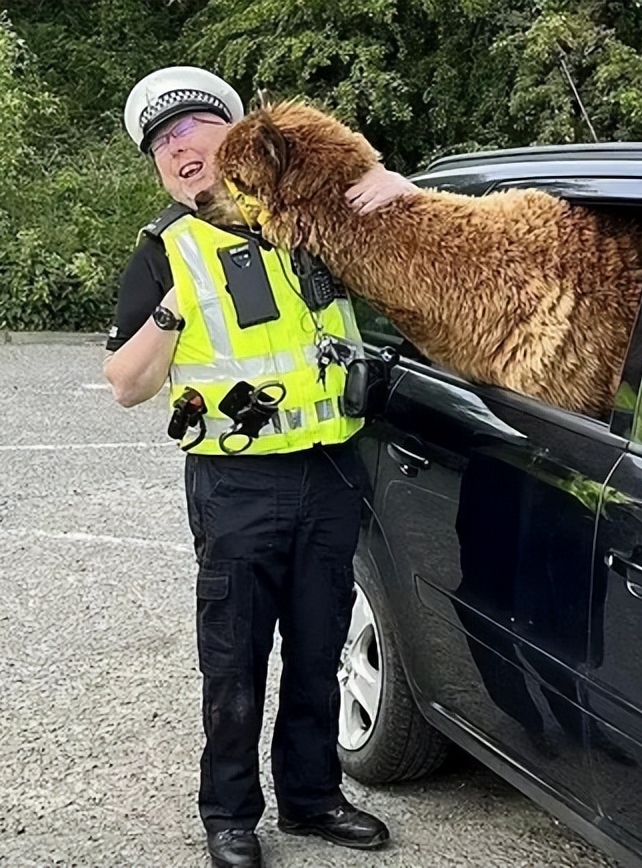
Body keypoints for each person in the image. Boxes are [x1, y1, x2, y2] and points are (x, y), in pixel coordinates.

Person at [104, 66, 416, 868]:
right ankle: (231, 815)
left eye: (191, 131)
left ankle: (312, 799)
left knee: (318, 651)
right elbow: (126, 387)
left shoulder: (307, 218)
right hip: (236, 486)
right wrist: (173, 306)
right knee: (235, 659)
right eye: (162, 145)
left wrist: (390, 180)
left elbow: (415, 248)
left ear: (238, 137)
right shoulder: (164, 248)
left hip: (330, 472)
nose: (179, 151)